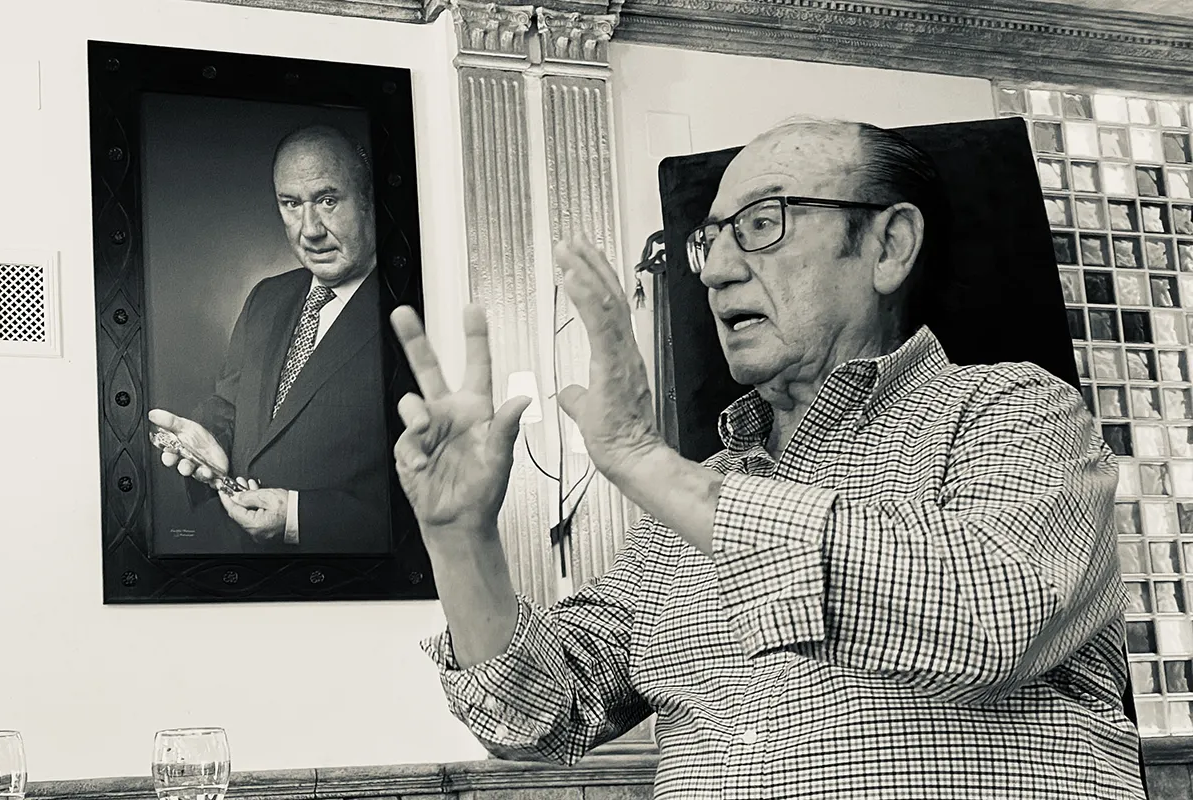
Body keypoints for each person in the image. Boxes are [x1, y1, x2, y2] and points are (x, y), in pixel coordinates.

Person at [391, 118, 1141, 798]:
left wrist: (645, 462)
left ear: (889, 246)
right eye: (709, 238)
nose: (714, 269)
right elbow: (535, 715)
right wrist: (461, 539)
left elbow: (993, 612)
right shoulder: (692, 500)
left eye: (760, 225)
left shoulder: (1015, 411)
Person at [148, 124, 391, 554]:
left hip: (356, 592)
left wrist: (297, 519)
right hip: (248, 583)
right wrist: (211, 443)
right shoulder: (267, 297)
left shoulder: (410, 313)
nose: (310, 229)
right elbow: (231, 403)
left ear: (370, 200)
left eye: (328, 201)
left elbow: (431, 500)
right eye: (291, 204)